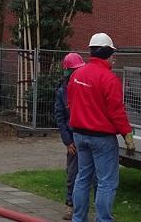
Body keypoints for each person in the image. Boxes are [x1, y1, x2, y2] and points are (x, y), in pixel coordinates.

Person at [68, 33, 136, 222]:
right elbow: (116, 112)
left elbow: (71, 102)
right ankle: (103, 219)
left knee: (83, 178)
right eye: (113, 54)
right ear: (107, 52)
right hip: (102, 139)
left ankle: (78, 218)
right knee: (106, 182)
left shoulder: (77, 74)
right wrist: (127, 136)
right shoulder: (109, 79)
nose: (114, 58)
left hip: (80, 136)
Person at [54, 52, 85, 220]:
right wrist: (67, 141)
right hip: (73, 139)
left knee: (92, 175)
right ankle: (70, 205)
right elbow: (60, 117)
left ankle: (88, 206)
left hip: (86, 135)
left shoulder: (84, 87)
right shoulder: (62, 92)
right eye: (73, 70)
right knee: (73, 173)